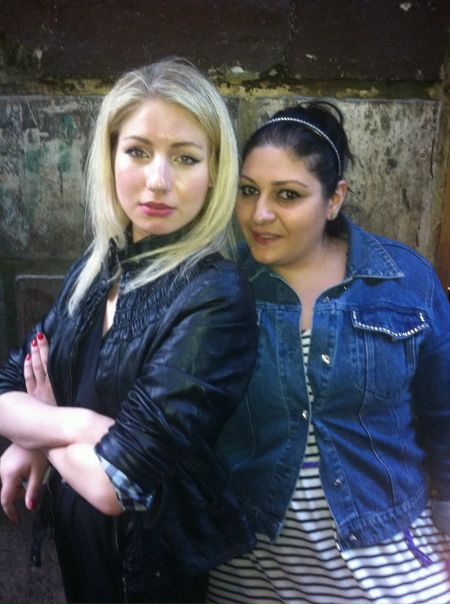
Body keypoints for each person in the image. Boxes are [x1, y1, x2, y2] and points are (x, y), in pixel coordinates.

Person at [0, 57, 258, 604]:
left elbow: (113, 483)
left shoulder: (214, 295)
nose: (157, 181)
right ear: (110, 156)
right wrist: (73, 424)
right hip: (81, 558)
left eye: (185, 158)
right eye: (138, 151)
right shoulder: (97, 267)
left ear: (215, 172)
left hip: (151, 578)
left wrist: (39, 430)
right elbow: (5, 392)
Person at [206, 101, 450, 604]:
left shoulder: (406, 282)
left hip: (392, 575)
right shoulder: (220, 286)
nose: (259, 214)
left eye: (288, 195)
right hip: (251, 578)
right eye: (248, 191)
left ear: (334, 198)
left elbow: (444, 416)